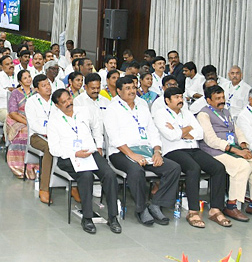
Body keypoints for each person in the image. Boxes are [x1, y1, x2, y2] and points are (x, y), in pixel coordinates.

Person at [104, 77, 182, 226]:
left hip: (145, 151)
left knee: (174, 168)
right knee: (136, 170)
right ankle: (141, 209)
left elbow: (152, 131)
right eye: (127, 88)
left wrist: (157, 151)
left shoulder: (142, 104)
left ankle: (156, 204)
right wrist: (132, 155)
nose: (132, 91)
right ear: (119, 91)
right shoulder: (112, 108)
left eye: (133, 87)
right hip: (121, 152)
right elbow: (114, 138)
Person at [154, 87, 230, 228]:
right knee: (193, 168)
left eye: (181, 97)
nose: (180, 100)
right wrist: (188, 128)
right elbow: (171, 136)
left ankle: (215, 209)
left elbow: (200, 134)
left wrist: (179, 130)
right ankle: (193, 211)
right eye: (176, 97)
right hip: (173, 150)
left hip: (193, 148)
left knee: (219, 168)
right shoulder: (160, 114)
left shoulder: (187, 113)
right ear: (167, 100)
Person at [48, 89, 121, 234]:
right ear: (57, 105)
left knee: (110, 175)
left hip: (89, 153)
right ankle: (87, 218)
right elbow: (54, 149)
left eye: (69, 99)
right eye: (64, 102)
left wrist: (98, 145)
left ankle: (113, 217)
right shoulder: (53, 121)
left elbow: (96, 127)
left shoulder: (84, 111)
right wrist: (74, 153)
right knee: (86, 175)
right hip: (69, 157)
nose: (69, 103)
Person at [196, 84, 252, 222]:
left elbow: (236, 130)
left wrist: (244, 145)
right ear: (208, 100)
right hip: (214, 151)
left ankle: (250, 203)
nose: (222, 100)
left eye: (223, 97)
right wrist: (237, 151)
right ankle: (231, 206)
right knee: (242, 166)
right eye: (217, 98)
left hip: (233, 148)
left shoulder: (226, 111)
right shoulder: (203, 114)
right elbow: (211, 140)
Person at [26, 74, 55, 204]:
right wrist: (48, 132)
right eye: (43, 86)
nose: (48, 88)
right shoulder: (31, 102)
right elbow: (33, 125)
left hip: (57, 135)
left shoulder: (56, 100)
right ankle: (44, 188)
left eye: (48, 84)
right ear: (37, 89)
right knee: (50, 148)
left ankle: (72, 186)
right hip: (37, 136)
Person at [5, 70, 38, 179]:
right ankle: (20, 167)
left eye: (29, 76)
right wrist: (27, 123)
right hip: (18, 119)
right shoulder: (15, 93)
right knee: (24, 132)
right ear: (20, 81)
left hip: (34, 119)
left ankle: (36, 167)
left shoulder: (36, 92)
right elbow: (13, 113)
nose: (28, 79)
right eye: (25, 78)